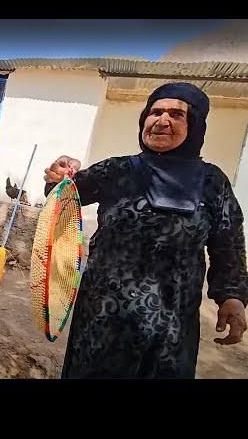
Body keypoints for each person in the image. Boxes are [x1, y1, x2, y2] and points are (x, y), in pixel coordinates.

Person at [43, 82, 248, 378]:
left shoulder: (213, 183)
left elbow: (227, 243)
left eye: (176, 115)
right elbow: (61, 200)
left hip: (171, 329)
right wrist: (59, 176)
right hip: (103, 322)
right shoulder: (115, 170)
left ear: (195, 125)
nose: (162, 120)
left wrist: (232, 298)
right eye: (155, 112)